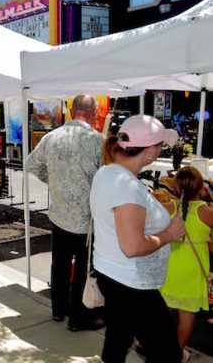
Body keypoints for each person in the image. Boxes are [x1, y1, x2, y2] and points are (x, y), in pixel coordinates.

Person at [90, 114, 186, 363]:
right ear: (150, 154)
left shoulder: (107, 172)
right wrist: (169, 234)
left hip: (114, 277)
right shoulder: (126, 185)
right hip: (132, 285)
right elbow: (132, 246)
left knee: (118, 340)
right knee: (167, 354)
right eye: (160, 146)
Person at [26, 94, 105, 331]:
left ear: (71, 112)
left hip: (59, 215)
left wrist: (53, 180)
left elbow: (31, 164)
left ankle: (58, 311)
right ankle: (78, 318)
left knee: (59, 266)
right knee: (83, 269)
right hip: (86, 221)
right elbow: (106, 177)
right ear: (93, 113)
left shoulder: (52, 137)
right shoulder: (98, 140)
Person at [160, 166, 213, 353]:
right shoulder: (207, 213)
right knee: (187, 313)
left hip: (168, 266)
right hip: (192, 270)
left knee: (165, 309)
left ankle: (159, 347)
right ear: (201, 188)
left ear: (175, 188)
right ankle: (176, 352)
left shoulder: (167, 208)